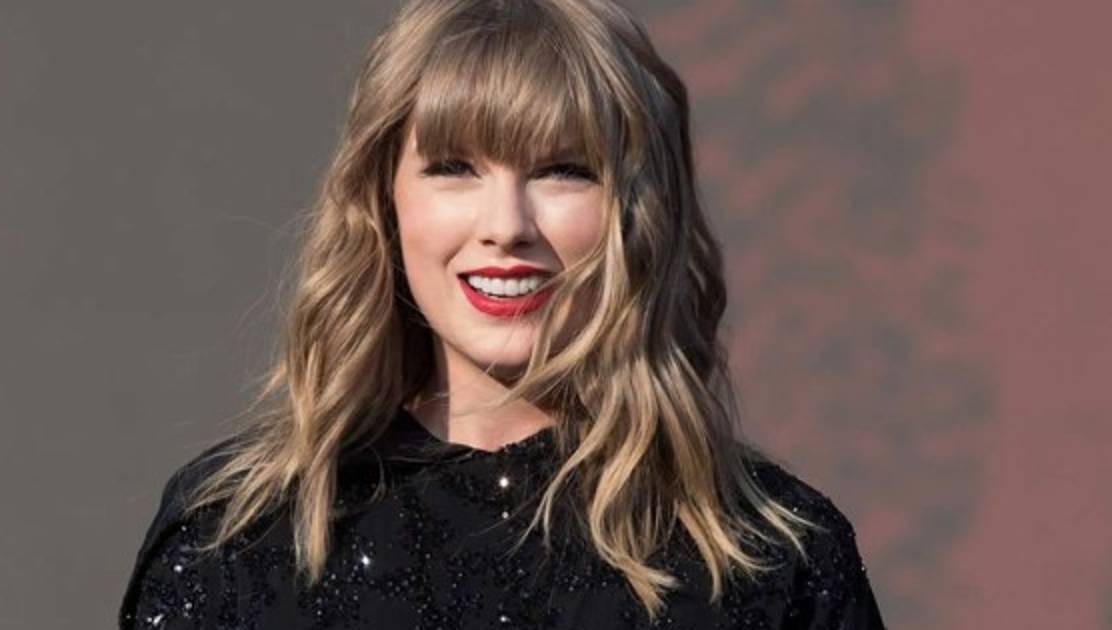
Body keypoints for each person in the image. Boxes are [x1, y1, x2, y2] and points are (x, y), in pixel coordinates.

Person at [119, 0, 887, 628]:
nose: (506, 226)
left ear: (638, 214)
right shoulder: (233, 540)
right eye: (454, 168)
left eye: (563, 170)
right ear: (384, 200)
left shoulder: (780, 559)